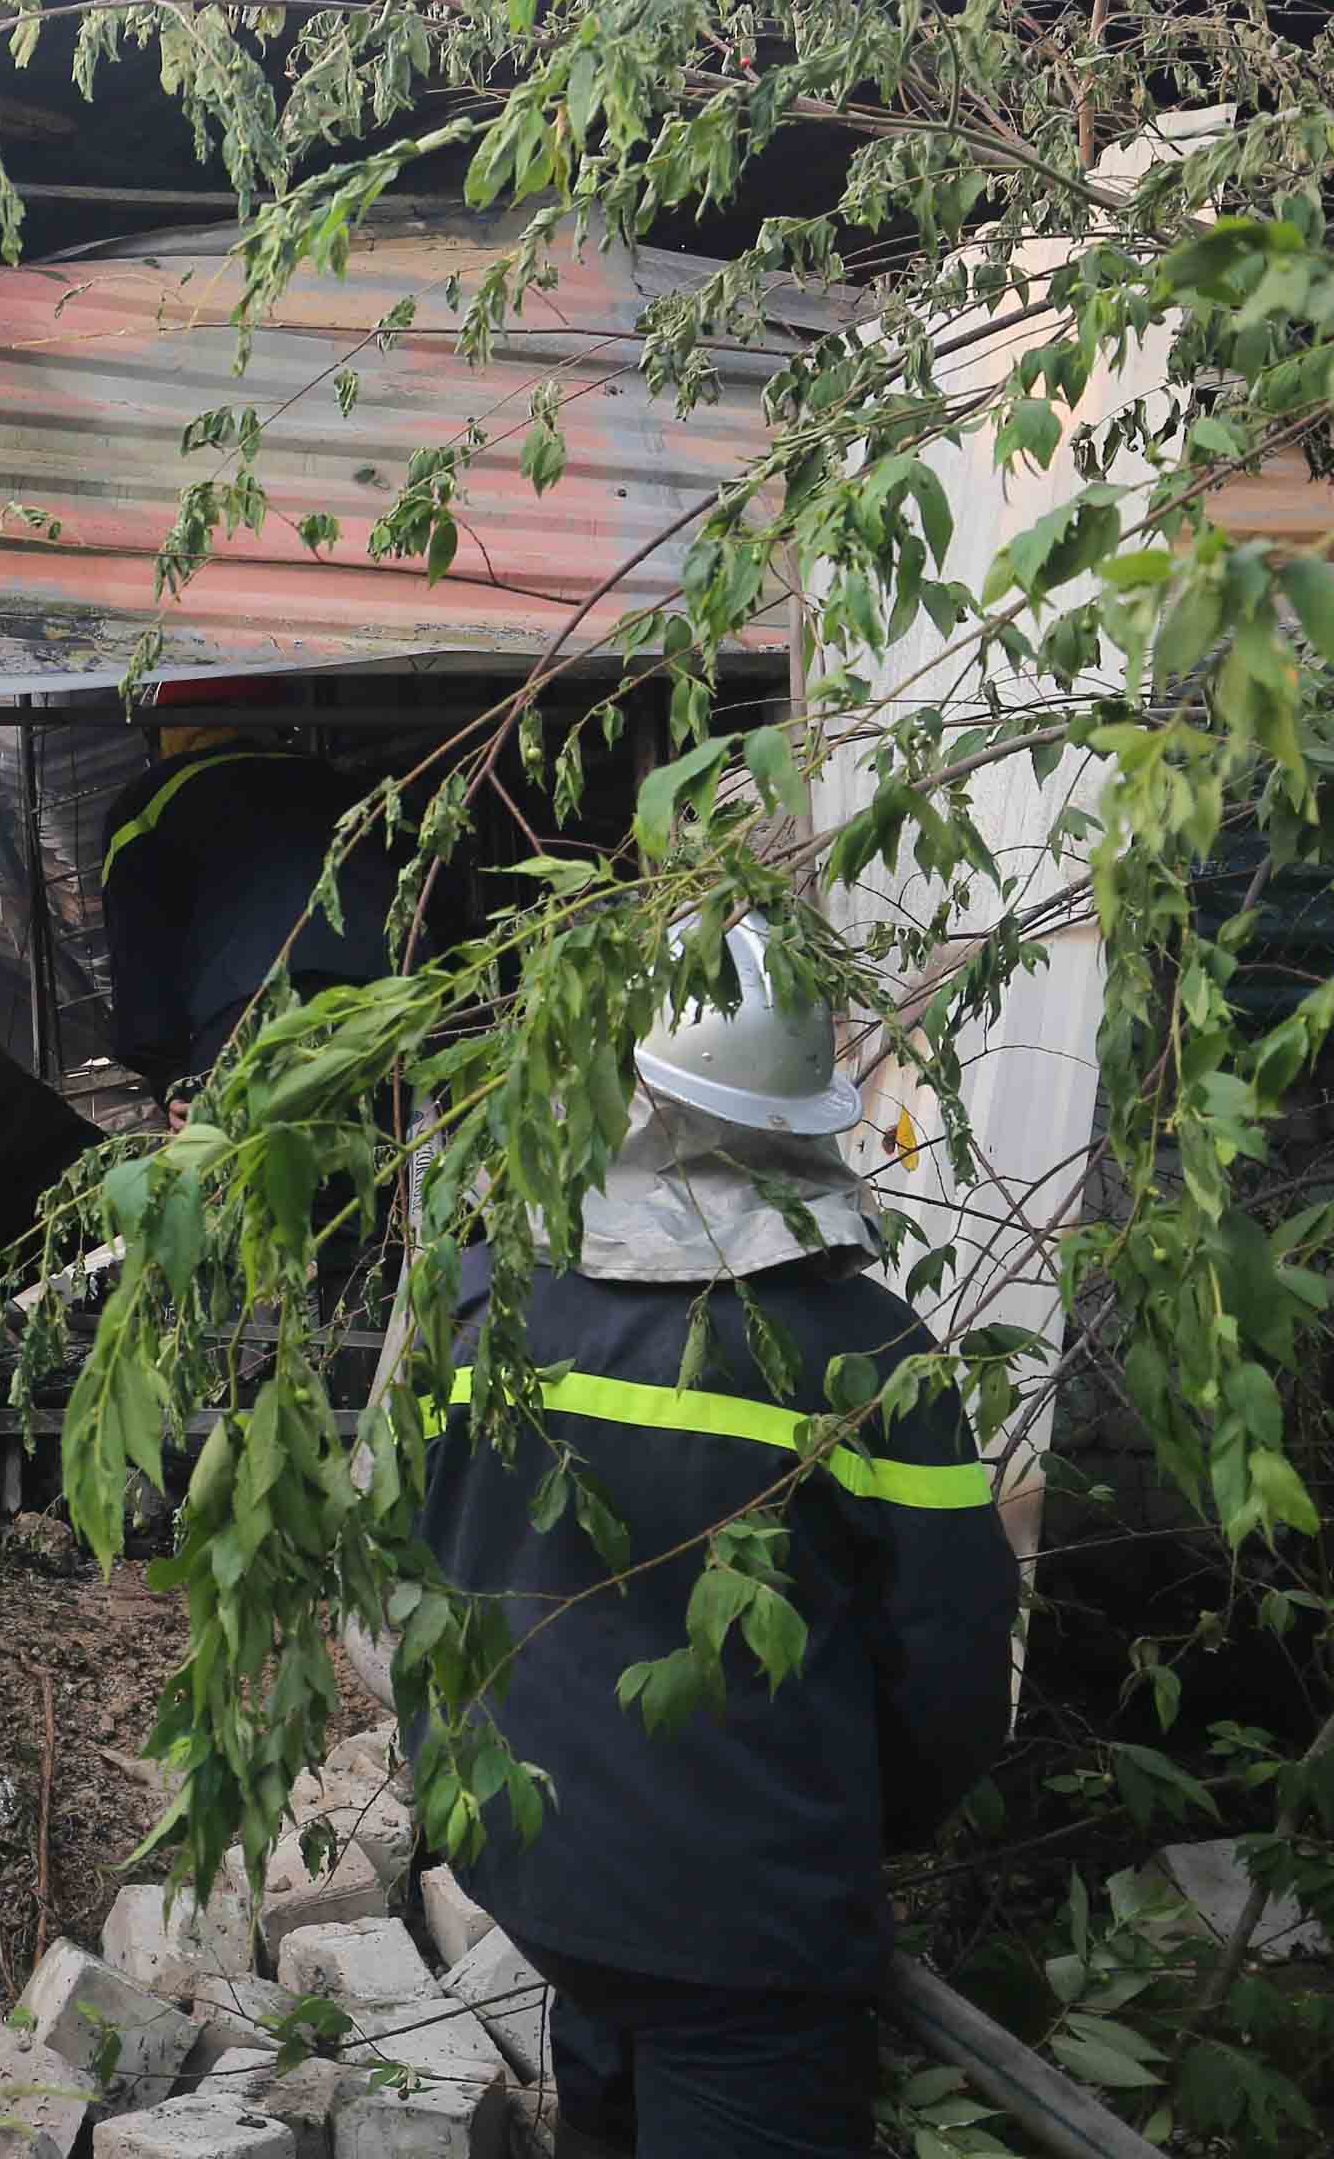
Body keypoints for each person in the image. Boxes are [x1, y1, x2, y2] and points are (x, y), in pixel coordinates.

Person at [420, 915, 1019, 2159]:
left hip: (535, 1868)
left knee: (609, 2090)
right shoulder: (862, 1358)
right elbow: (951, 1665)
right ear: (797, 1125)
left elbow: (426, 1560)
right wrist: (857, 1833)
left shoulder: (485, 1306)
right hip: (741, 1925)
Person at [98, 734, 402, 1129]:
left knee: (269, 1179)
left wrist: (172, 1077)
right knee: (393, 1168)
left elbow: (142, 953)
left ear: (165, 734)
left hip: (247, 1018)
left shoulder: (150, 799)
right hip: (391, 1003)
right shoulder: (344, 781)